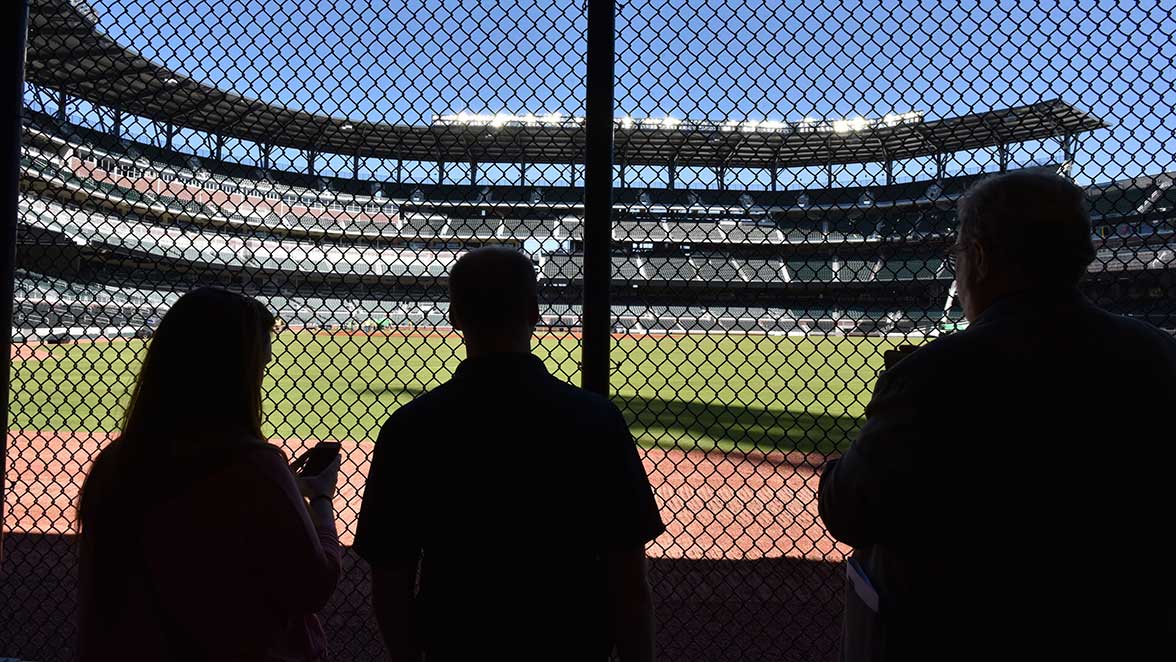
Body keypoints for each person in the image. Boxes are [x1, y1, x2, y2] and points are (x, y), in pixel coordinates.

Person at [818, 172, 1176, 661]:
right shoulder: (1160, 354)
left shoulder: (936, 372)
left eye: (958, 253)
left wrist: (840, 463)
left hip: (965, 629)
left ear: (981, 257)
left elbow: (849, 510)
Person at [355, 246, 665, 662]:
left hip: (460, 642)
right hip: (570, 641)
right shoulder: (597, 420)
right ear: (535, 312)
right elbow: (630, 584)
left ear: (454, 317)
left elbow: (390, 581)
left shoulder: (410, 427)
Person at [77, 288, 341, 662]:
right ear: (235, 374)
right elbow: (313, 586)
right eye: (258, 368)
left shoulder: (116, 463)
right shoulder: (254, 465)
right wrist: (321, 501)